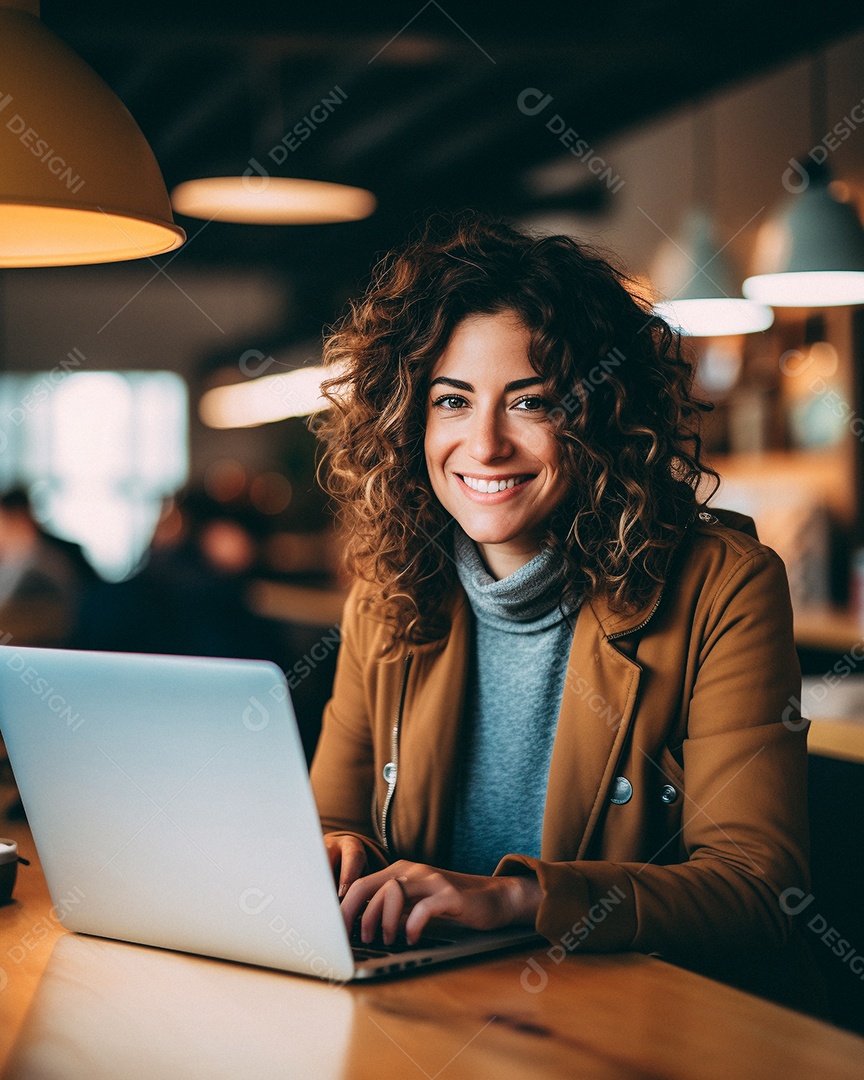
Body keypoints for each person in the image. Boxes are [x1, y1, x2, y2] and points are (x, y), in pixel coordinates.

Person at [309, 212, 823, 1013]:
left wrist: (518, 900)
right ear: (408, 420)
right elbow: (332, 816)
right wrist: (336, 850)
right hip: (422, 1009)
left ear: (599, 417)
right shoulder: (387, 590)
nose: (483, 444)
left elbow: (759, 893)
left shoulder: (725, 588)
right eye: (451, 401)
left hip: (631, 1029)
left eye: (530, 402)